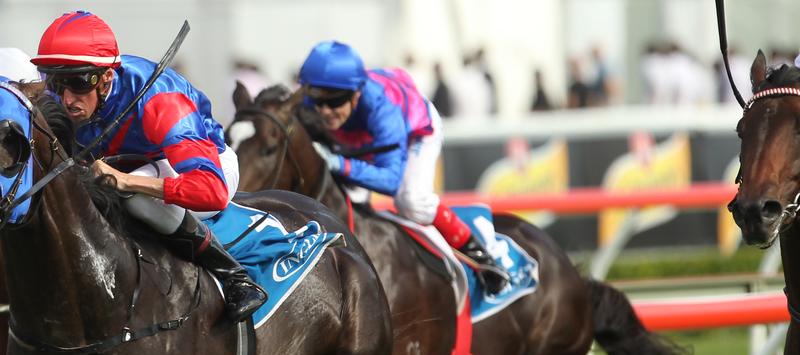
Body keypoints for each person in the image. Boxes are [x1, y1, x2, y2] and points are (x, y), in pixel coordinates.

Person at [31, 10, 265, 321]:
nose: (66, 99)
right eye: (56, 82)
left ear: (106, 79)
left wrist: (126, 182)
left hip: (205, 169)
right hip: (134, 164)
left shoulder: (161, 101)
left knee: (128, 196)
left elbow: (212, 191)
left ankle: (235, 277)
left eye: (77, 83)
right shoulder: (66, 98)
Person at [297, 40, 507, 293]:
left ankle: (480, 255)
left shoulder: (382, 110)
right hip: (361, 139)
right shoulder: (315, 103)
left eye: (335, 101)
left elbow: (390, 181)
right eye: (317, 99)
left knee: (411, 201)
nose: (325, 110)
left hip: (413, 132)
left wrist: (338, 163)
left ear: (356, 94)